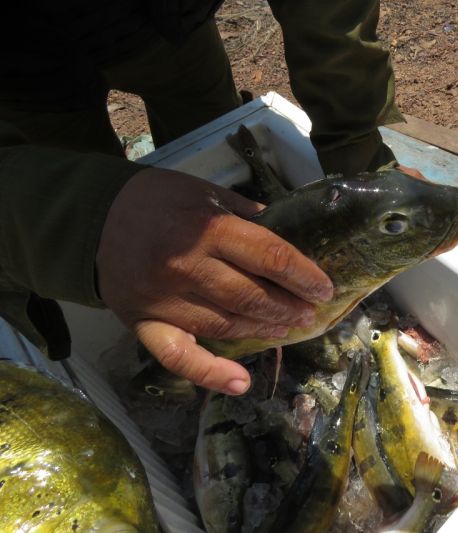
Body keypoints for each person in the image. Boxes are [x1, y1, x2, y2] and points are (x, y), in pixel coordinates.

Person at [0, 0, 411, 395]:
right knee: (96, 209)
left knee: (211, 130)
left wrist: (355, 140)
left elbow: (329, 13)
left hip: (170, 21)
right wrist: (70, 219)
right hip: (20, 65)